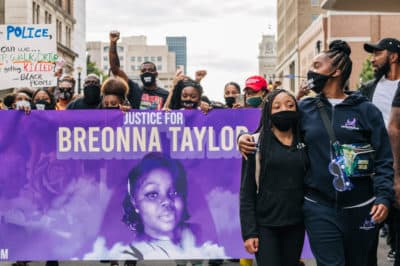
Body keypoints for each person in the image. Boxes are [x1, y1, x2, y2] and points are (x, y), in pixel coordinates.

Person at [238, 40, 394, 265]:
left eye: (316, 65)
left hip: (362, 208)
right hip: (319, 208)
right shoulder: (304, 109)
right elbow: (268, 131)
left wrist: (383, 197)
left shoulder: (367, 111)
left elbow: (383, 158)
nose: (310, 71)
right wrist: (242, 138)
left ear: (336, 71)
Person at [240, 89, 307, 266]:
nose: (284, 109)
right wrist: (249, 233)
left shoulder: (306, 141)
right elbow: (246, 192)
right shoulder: (254, 144)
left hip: (296, 224)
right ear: (268, 112)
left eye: (290, 105)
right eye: (277, 107)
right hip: (265, 226)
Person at [359, 37, 400, 265]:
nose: (373, 59)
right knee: (368, 236)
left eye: (378, 53)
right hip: (375, 172)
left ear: (393, 57)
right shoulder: (367, 89)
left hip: (399, 168)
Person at [109, 31, 169, 110]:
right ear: (140, 75)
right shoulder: (134, 90)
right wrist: (113, 43)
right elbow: (115, 69)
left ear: (156, 74)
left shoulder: (166, 94)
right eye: (143, 70)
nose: (147, 72)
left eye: (150, 70)